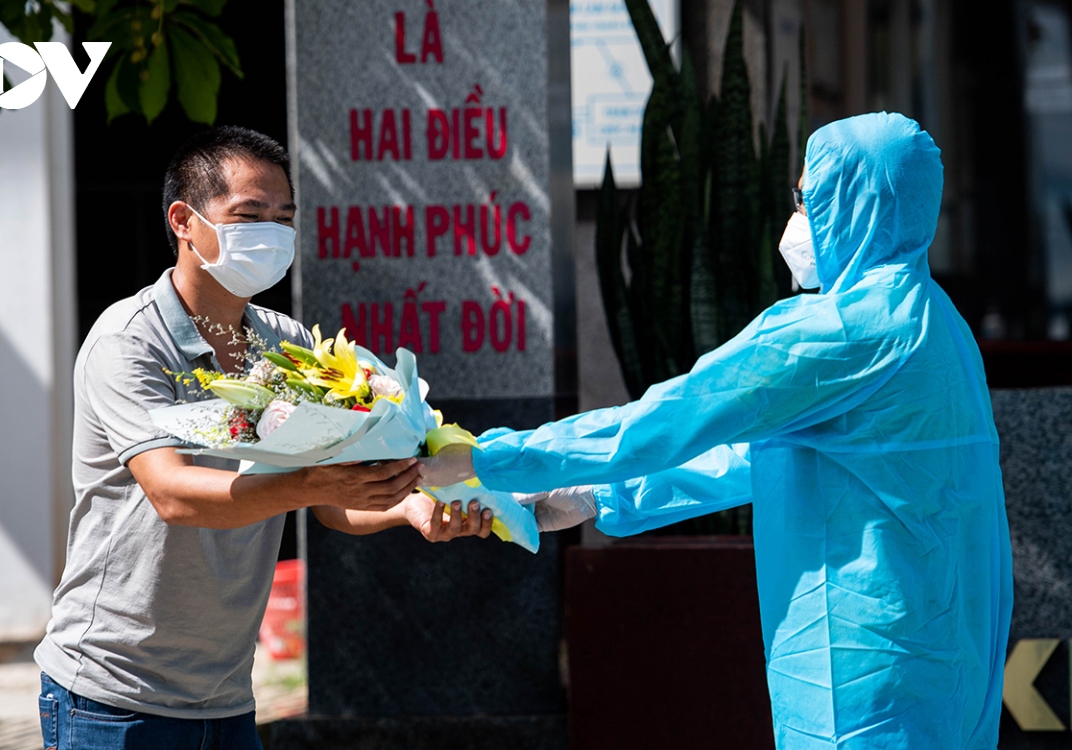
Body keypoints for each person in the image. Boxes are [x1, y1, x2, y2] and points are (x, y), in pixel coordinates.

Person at [423, 113, 1013, 749]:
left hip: (864, 673)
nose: (797, 215)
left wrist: (488, 459)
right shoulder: (935, 319)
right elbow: (761, 456)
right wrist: (600, 496)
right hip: (946, 660)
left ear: (852, 202)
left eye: (806, 196)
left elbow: (672, 417)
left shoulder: (843, 331)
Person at [35, 126, 493, 750]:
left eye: (284, 218)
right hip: (113, 694)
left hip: (225, 695)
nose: (273, 235)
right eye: (250, 215)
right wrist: (312, 482)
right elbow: (172, 493)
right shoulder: (130, 339)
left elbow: (329, 500)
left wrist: (409, 503)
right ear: (184, 221)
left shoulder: (287, 346)